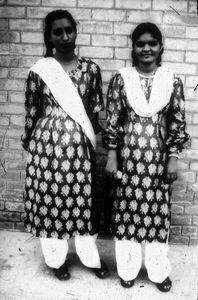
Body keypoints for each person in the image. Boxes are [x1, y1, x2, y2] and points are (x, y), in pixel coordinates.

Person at [21, 9, 109, 281]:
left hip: (80, 151)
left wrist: (100, 145)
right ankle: (56, 261)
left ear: (76, 30)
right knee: (52, 204)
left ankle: (89, 257)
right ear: (48, 36)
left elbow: (94, 114)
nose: (65, 36)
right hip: (46, 152)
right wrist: (29, 151)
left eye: (69, 29)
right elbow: (32, 114)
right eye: (57, 31)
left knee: (83, 202)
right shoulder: (40, 71)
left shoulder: (91, 69)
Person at [103, 23, 189, 292]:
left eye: (152, 43)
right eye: (141, 43)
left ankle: (158, 272)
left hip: (157, 159)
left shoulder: (171, 80)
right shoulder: (122, 79)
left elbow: (177, 122)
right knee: (127, 211)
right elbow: (114, 121)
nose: (146, 48)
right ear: (134, 47)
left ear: (161, 47)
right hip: (128, 158)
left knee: (156, 213)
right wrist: (112, 156)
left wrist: (172, 158)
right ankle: (127, 269)